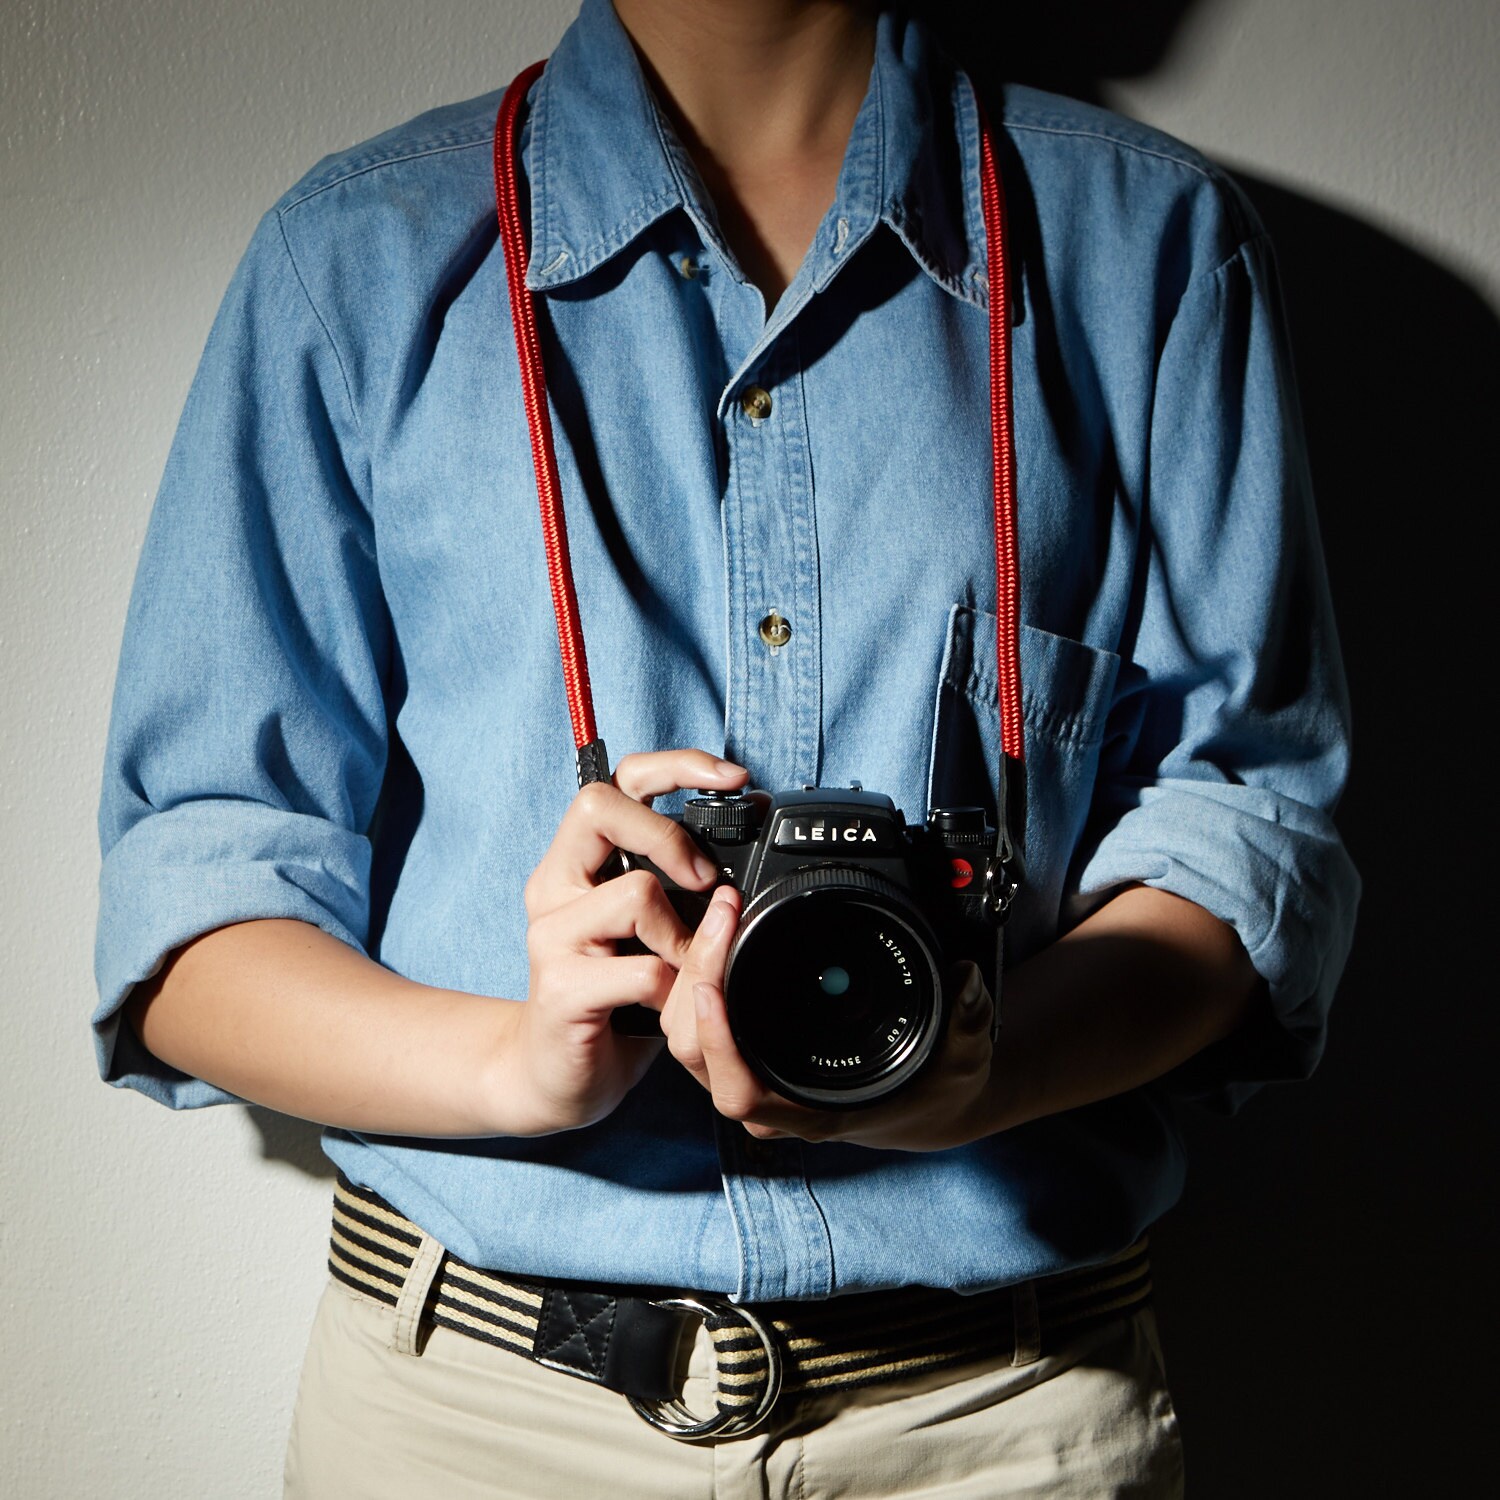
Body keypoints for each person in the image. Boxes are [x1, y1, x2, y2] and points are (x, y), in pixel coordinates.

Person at [93, 0, 1359, 1493]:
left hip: (998, 1417)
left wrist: (987, 1067)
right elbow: (189, 921)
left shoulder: (1147, 246)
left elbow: (1252, 824)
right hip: (479, 1417)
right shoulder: (359, 261)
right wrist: (519, 1063)